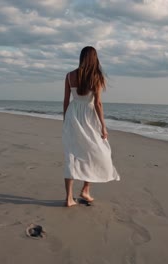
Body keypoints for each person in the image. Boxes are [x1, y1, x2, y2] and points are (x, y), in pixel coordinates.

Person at [62, 46, 120, 207]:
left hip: (72, 115)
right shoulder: (96, 76)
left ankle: (69, 198)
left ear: (81, 57)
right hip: (89, 116)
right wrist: (103, 126)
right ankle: (85, 189)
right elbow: (98, 104)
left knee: (71, 155)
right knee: (95, 152)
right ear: (95, 58)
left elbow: (66, 100)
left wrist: (65, 119)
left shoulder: (69, 76)